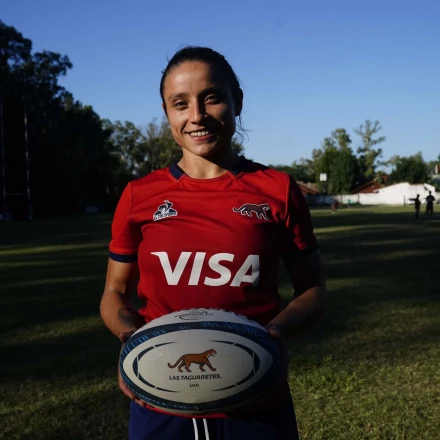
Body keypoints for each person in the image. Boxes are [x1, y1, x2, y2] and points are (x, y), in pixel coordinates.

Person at [100, 46, 327, 440]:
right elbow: (114, 292)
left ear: (237, 100)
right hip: (160, 405)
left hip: (256, 402)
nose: (197, 116)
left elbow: (313, 289)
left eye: (212, 97)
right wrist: (130, 338)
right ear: (167, 113)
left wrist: (275, 332)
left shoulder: (278, 190)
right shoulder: (139, 195)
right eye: (180, 103)